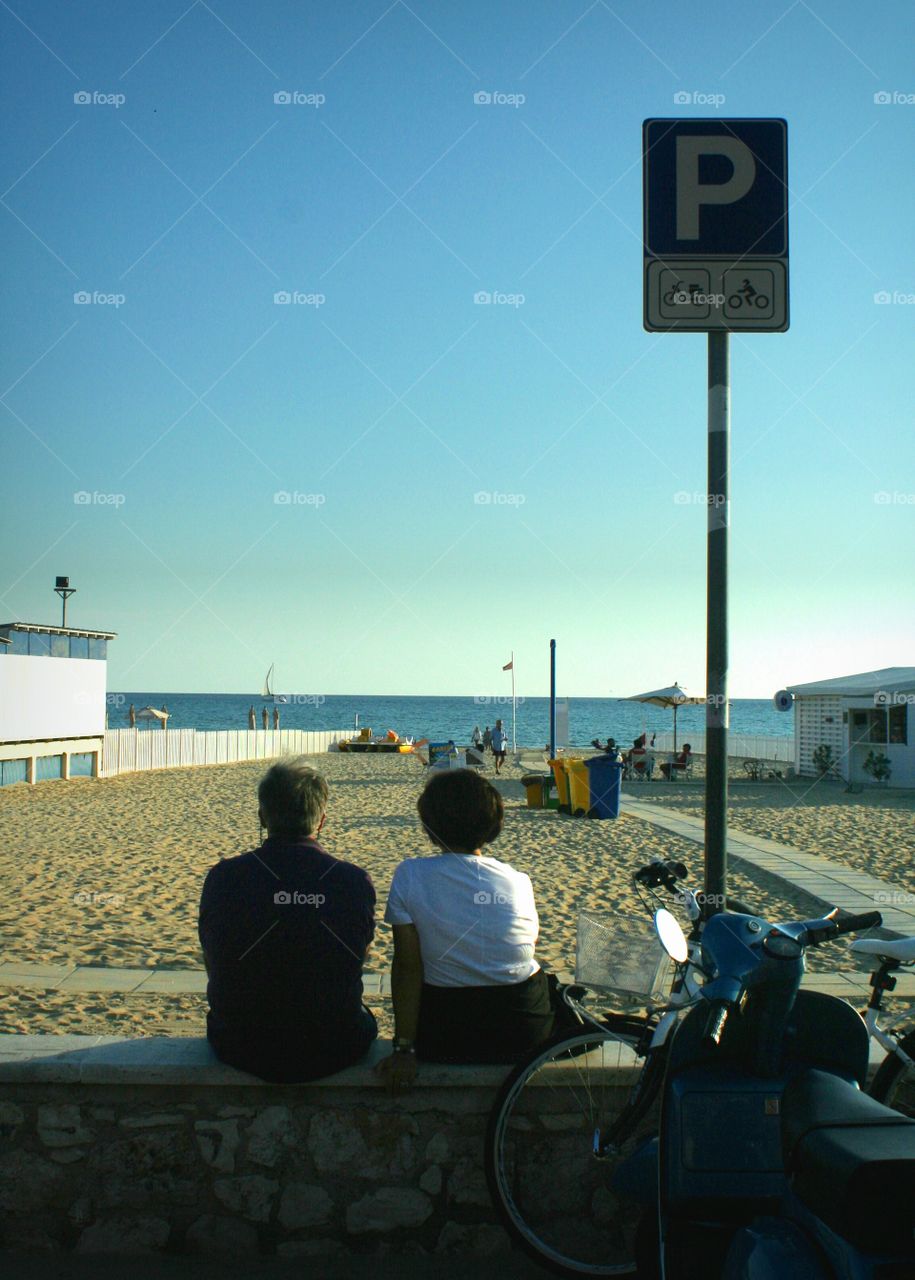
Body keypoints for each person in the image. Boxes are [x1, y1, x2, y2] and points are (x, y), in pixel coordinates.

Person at [375, 769, 557, 1087]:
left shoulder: (411, 875)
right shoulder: (518, 880)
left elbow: (407, 966)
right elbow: (519, 949)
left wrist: (404, 1047)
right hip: (523, 1029)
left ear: (430, 825)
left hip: (446, 1033)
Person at [198, 759, 377, 1082]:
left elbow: (214, 956)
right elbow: (356, 956)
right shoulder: (352, 881)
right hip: (335, 1044)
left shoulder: (225, 877)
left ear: (262, 817)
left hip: (240, 1043)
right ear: (321, 821)